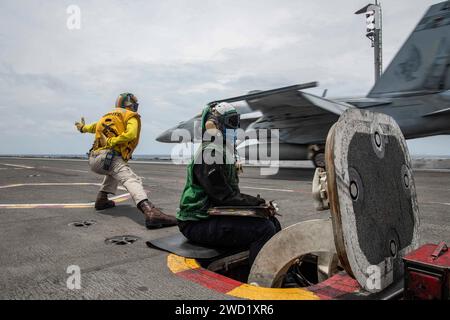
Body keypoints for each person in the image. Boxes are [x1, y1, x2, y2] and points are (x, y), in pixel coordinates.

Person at [176, 102, 281, 266]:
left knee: (273, 222)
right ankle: (260, 280)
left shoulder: (222, 151)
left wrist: (260, 208)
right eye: (232, 122)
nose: (236, 127)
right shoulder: (209, 153)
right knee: (264, 229)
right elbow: (223, 196)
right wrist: (257, 203)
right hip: (196, 222)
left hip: (212, 214)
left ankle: (280, 269)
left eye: (236, 122)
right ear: (213, 125)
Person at [75, 92, 177, 229]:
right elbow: (131, 134)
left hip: (94, 159)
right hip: (109, 156)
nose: (136, 107)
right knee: (131, 179)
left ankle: (102, 199)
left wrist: (81, 128)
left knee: (114, 171)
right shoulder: (130, 116)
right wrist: (112, 141)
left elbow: (89, 128)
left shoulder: (104, 118)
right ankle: (151, 212)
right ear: (129, 105)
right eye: (134, 104)